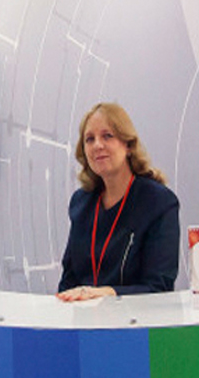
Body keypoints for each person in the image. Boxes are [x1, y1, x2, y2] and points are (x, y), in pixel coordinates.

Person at [57, 102, 180, 301]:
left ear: (128, 145)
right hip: (82, 316)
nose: (97, 145)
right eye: (90, 139)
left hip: (136, 317)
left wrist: (106, 294)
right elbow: (68, 280)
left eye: (107, 136)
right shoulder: (81, 202)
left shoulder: (159, 202)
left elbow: (159, 287)